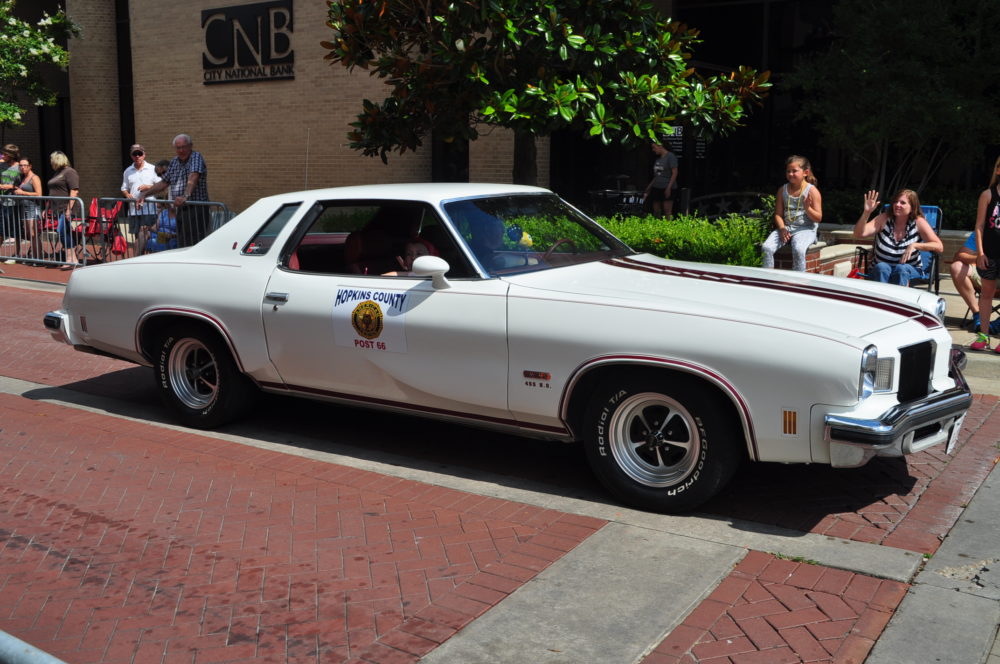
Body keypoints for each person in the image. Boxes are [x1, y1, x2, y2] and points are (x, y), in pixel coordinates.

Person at [853, 189, 942, 286]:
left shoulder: (919, 222)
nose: (897, 205)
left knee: (901, 269)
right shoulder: (883, 219)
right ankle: (882, 299)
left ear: (912, 207)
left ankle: (898, 299)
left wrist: (915, 245)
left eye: (902, 203)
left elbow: (939, 246)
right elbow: (858, 234)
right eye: (896, 201)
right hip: (881, 270)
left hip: (909, 270)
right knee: (882, 267)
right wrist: (866, 213)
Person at [136, 134, 208, 247]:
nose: (181, 150)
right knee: (182, 242)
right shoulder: (174, 161)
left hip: (195, 209)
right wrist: (144, 194)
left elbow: (193, 177)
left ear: (191, 146)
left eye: (184, 147)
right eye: (178, 148)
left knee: (193, 243)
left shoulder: (196, 157)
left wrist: (185, 196)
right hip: (180, 209)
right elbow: (164, 182)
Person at [761, 155, 823, 272]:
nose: (790, 174)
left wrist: (807, 208)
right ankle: (767, 277)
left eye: (794, 171)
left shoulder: (812, 191)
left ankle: (798, 281)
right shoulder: (782, 190)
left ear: (805, 172)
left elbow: (818, 217)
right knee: (766, 247)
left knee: (799, 249)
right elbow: (778, 214)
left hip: (806, 228)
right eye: (788, 171)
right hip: (787, 228)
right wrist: (782, 228)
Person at [970, 157, 1000, 352]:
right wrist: (980, 252)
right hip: (990, 253)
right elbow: (980, 226)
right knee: (986, 295)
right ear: (997, 170)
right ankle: (984, 336)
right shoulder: (988, 195)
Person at [120, 143, 161, 253]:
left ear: (144, 155)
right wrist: (127, 195)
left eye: (139, 153)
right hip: (134, 209)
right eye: (135, 154)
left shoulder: (153, 169)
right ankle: (139, 259)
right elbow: (124, 187)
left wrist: (148, 186)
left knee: (148, 234)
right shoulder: (128, 171)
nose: (137, 156)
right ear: (131, 156)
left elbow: (161, 185)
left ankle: (144, 259)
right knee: (138, 236)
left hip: (149, 208)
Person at [47, 151, 81, 269]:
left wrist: (68, 209)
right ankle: (72, 258)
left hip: (66, 208)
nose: (51, 163)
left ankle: (71, 258)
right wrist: (46, 208)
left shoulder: (69, 172)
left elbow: (74, 190)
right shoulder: (57, 173)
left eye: (52, 160)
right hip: (57, 208)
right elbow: (52, 192)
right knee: (64, 231)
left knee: (62, 230)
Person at [13, 158, 42, 260]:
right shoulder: (22, 178)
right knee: (28, 234)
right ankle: (33, 256)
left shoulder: (34, 178)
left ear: (30, 166)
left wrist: (23, 193)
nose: (22, 167)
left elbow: (39, 194)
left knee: (33, 234)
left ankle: (38, 257)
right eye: (20, 165)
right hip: (23, 207)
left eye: (25, 165)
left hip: (32, 207)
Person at [643, 142, 678, 218]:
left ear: (660, 146)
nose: (653, 150)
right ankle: (657, 228)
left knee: (667, 210)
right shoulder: (658, 159)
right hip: (656, 187)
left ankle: (668, 228)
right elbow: (657, 176)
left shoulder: (670, 156)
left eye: (654, 147)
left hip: (667, 187)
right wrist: (648, 188)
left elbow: (675, 173)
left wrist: (668, 188)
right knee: (656, 210)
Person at [0, 144, 20, 246]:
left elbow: (23, 184)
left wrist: (9, 186)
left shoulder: (19, 167)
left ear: (11, 155)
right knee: (1, 229)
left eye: (5, 154)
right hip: (2, 201)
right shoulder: (1, 166)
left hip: (14, 203)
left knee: (14, 230)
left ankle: (17, 254)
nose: (2, 156)